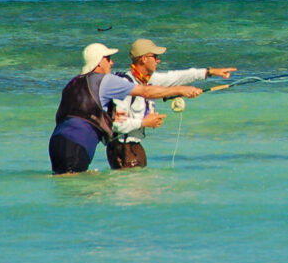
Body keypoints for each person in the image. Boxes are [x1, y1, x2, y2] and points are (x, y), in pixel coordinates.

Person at [49, 43, 205, 175]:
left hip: (57, 142)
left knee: (69, 194)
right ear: (98, 62)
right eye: (108, 59)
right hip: (78, 144)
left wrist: (108, 117)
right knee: (77, 194)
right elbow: (146, 91)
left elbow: (79, 112)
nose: (112, 63)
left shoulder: (73, 82)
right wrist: (181, 90)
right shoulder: (107, 80)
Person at [107, 38, 236, 169]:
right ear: (144, 59)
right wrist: (144, 123)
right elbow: (116, 124)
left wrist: (209, 72)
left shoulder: (147, 80)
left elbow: (176, 77)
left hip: (134, 147)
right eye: (155, 56)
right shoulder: (123, 85)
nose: (158, 60)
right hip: (122, 149)